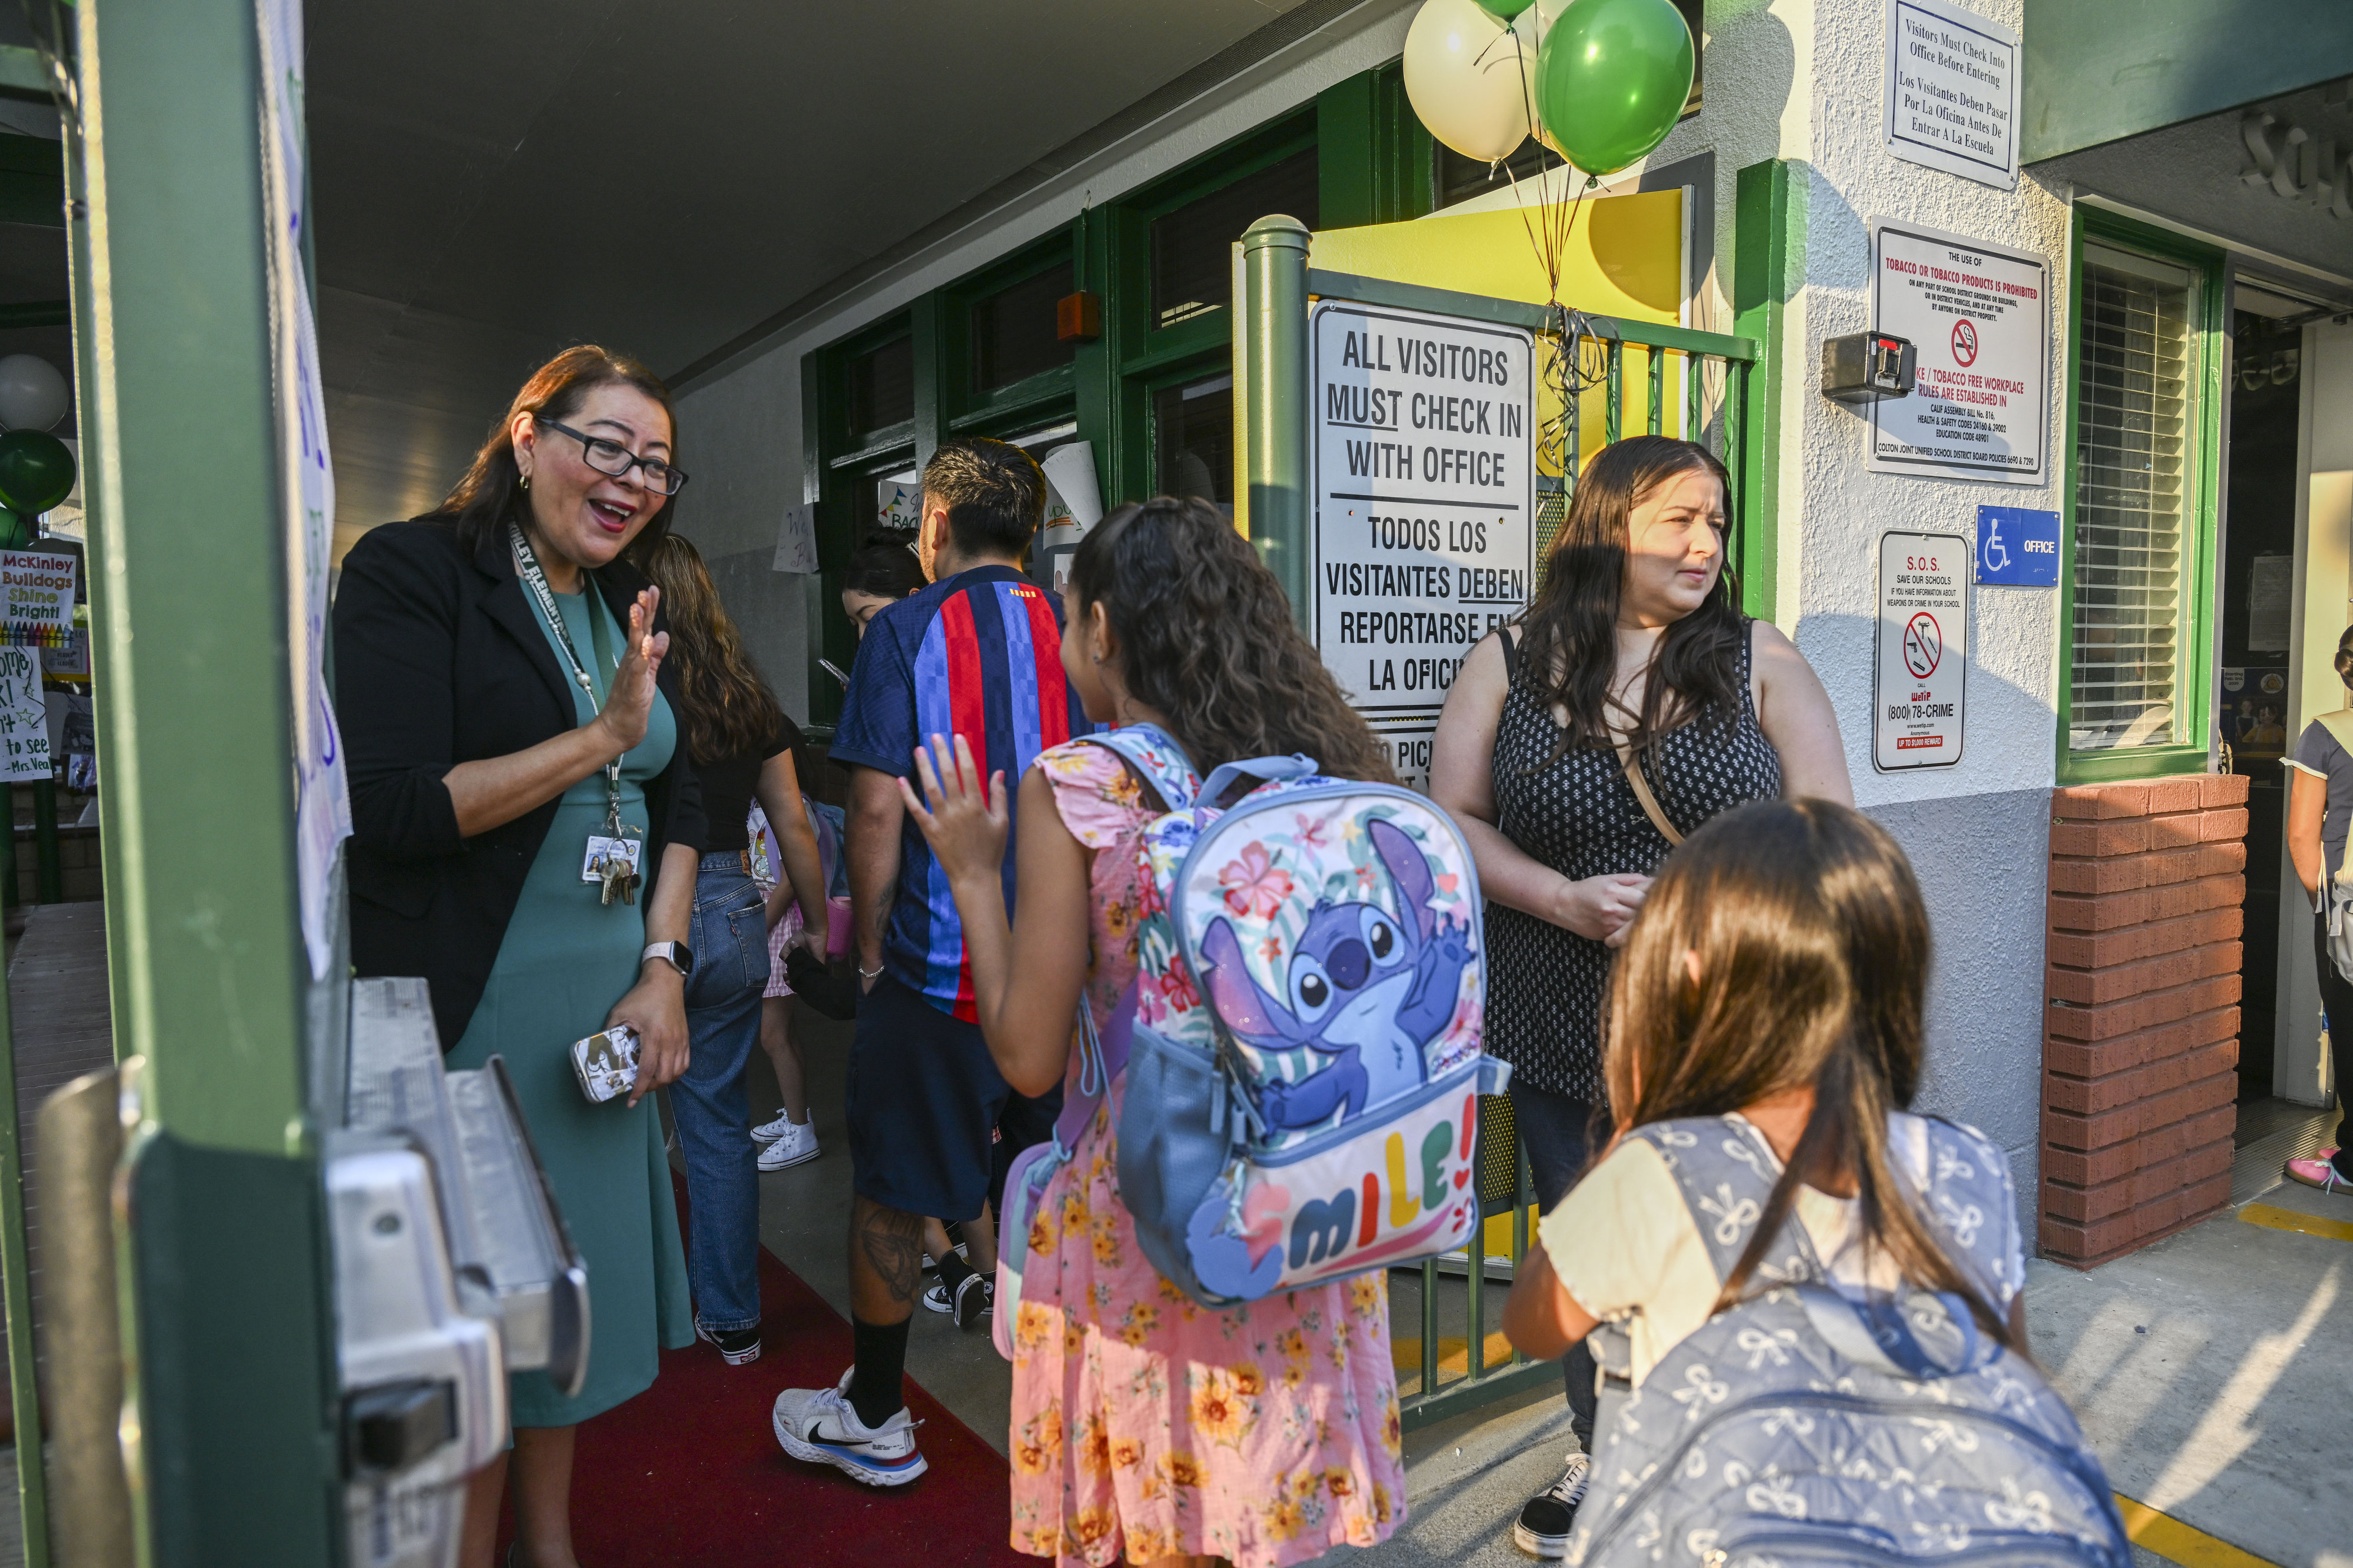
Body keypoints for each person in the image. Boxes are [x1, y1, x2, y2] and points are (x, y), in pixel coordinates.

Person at [896, 496, 1409, 1567]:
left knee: (1165, 1524)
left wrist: (975, 877)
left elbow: (1029, 1056)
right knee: (1264, 1513)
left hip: (1154, 1216)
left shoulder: (1082, 786)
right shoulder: (1322, 761)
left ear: (1099, 631)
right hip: (1304, 1207)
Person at [1427, 433, 1850, 1559]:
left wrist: (1719, 904)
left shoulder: (1759, 655)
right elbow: (1453, 817)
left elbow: (1833, 831)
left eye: (1717, 521)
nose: (1706, 542)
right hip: (1565, 1016)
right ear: (1611, 524)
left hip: (1729, 1023)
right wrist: (1559, 897)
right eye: (1679, 519)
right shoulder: (1512, 659)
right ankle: (1601, 1440)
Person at [335, 345, 705, 1568]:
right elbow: (392, 806)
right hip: (472, 1015)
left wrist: (661, 964)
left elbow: (682, 800)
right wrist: (596, 733)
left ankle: (549, 1547)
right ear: (526, 434)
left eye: (655, 463)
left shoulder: (625, 599)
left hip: (597, 1025)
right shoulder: (411, 571)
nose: (634, 479)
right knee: (484, 1327)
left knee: (567, 1320)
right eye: (608, 446)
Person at [1499, 795, 2028, 1439]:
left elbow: (1531, 1324)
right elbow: (2008, 1387)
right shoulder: (1967, 1162)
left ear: (1691, 979)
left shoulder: (1657, 1176)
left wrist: (1640, 1112)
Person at [770, 436, 1088, 1483]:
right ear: (1034, 532)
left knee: (896, 1192)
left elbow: (871, 812)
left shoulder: (903, 630)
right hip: (1065, 975)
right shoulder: (1081, 630)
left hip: (939, 972)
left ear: (936, 529)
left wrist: (866, 958)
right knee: (1058, 1180)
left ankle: (875, 1412)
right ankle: (1080, 1407)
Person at [638, 533, 829, 1365]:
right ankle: (733, 1319)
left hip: (647, 913)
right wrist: (819, 925)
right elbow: (794, 823)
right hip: (738, 915)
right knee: (717, 1118)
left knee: (619, 1113)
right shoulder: (749, 695)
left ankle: (636, 1307)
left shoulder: (634, 690)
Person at [2285, 626, 2353, 1193]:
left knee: (2350, 1025)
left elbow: (2304, 837)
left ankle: (2351, 1163)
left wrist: (2322, 904)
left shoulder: (2327, 733)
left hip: (2346, 905)